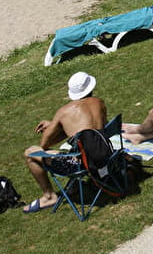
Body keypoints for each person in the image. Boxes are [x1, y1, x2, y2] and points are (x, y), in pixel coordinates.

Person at [22, 72, 109, 213]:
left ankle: (49, 196)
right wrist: (61, 126)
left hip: (82, 164)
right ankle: (75, 186)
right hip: (105, 157)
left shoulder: (64, 112)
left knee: (30, 152)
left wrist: (53, 127)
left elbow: (44, 145)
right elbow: (90, 129)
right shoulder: (99, 103)